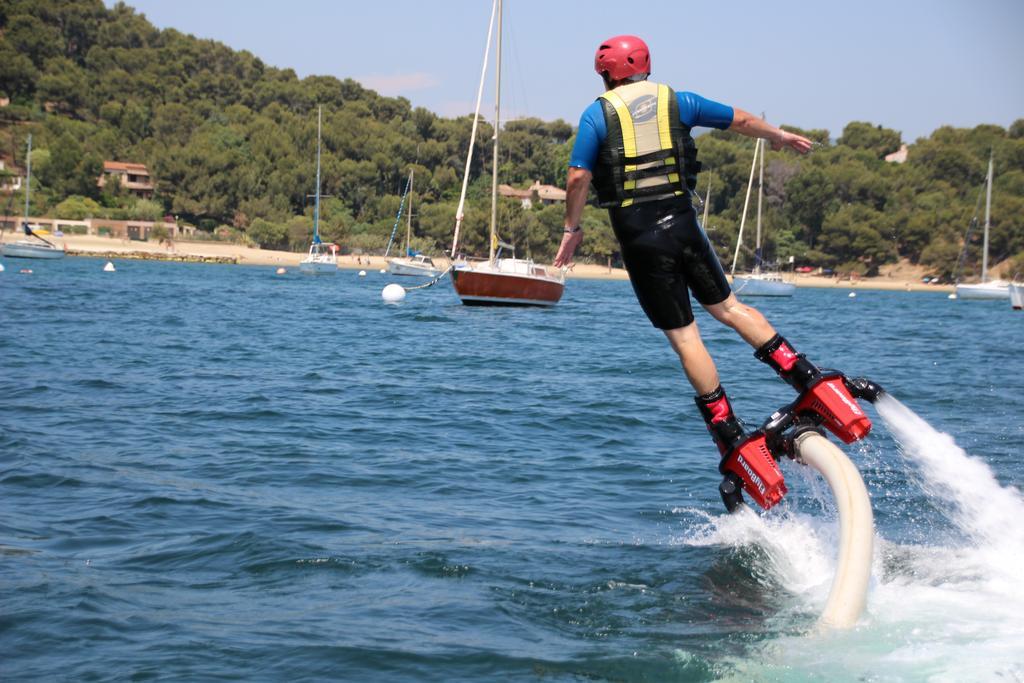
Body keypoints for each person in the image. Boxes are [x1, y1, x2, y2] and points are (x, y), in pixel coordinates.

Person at [553, 35, 827, 465]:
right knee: (731, 308)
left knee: (685, 336)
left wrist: (572, 229)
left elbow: (577, 178)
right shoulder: (680, 102)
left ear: (605, 73)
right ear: (647, 66)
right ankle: (809, 379)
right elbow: (740, 120)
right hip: (684, 226)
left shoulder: (597, 114)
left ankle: (728, 428)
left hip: (641, 238)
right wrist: (778, 136)